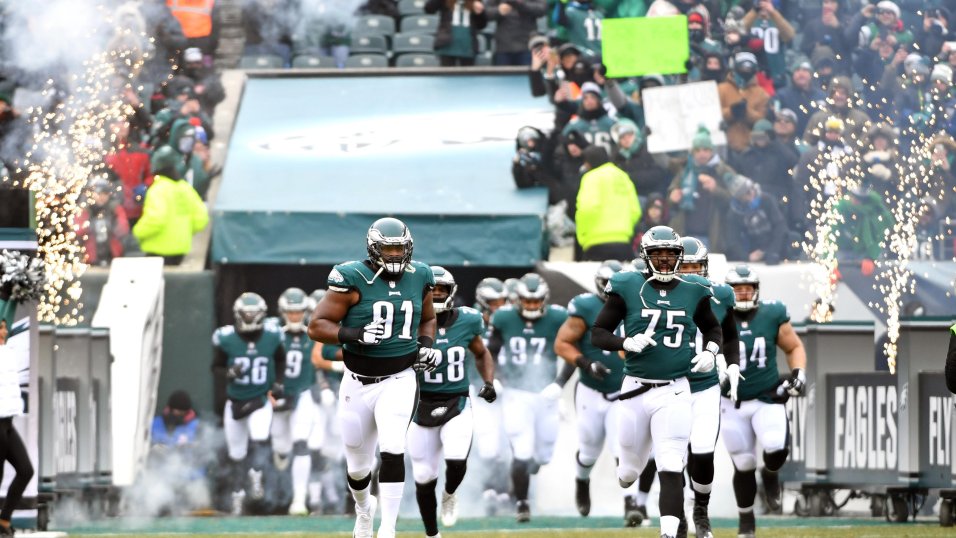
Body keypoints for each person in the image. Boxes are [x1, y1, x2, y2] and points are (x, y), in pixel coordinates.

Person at [307, 217, 437, 538]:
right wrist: (355, 333)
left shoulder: (420, 275)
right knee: (357, 466)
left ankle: (389, 529)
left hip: (399, 379)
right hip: (356, 380)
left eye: (399, 248)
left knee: (394, 447)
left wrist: (426, 346)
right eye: (388, 248)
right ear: (373, 247)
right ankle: (364, 510)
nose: (394, 255)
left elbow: (429, 318)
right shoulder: (352, 277)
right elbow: (316, 325)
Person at [590, 225, 723, 538]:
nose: (664, 260)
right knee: (628, 473)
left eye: (670, 254)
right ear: (645, 256)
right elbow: (598, 333)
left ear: (679, 256)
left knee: (671, 463)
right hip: (634, 390)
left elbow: (713, 329)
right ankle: (629, 477)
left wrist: (711, 351)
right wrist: (624, 342)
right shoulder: (626, 284)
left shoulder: (695, 289)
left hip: (675, 389)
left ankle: (668, 532)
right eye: (657, 254)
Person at [553, 260, 644, 527]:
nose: (611, 289)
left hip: (624, 390)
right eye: (607, 284)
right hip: (591, 390)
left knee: (623, 446)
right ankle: (582, 481)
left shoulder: (637, 303)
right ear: (598, 283)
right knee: (590, 449)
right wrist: (587, 364)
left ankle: (631, 503)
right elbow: (562, 344)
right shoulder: (585, 306)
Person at [408, 267, 497, 538]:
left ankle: (449, 494)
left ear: (451, 293)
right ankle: (432, 534)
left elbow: (481, 353)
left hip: (456, 400)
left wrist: (489, 382)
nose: (436, 294)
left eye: (441, 290)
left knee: (457, 460)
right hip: (419, 404)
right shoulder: (410, 321)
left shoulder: (468, 320)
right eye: (431, 290)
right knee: (423, 476)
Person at [721, 265, 807, 538]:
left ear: (756, 290)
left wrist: (799, 372)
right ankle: (746, 521)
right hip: (731, 402)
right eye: (737, 289)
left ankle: (771, 475)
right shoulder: (716, 316)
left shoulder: (772, 313)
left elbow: (793, 346)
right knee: (744, 463)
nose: (743, 294)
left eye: (748, 288)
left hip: (766, 395)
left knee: (774, 447)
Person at [485, 272, 568, 522]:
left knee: (542, 456)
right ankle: (521, 502)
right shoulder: (504, 318)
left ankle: (522, 483)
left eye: (536, 301)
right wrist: (494, 379)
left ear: (544, 299)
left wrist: (560, 384)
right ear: (518, 299)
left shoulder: (558, 317)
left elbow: (572, 349)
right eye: (527, 301)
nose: (531, 306)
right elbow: (491, 352)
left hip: (545, 394)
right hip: (516, 393)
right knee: (521, 450)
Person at [675, 237, 740, 538]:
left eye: (693, 267)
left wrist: (731, 364)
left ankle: (700, 508)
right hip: (668, 384)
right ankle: (676, 516)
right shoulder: (657, 293)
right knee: (672, 457)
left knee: (702, 453)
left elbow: (729, 334)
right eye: (683, 266)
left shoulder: (721, 294)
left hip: (704, 386)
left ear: (704, 268)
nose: (687, 273)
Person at [212, 292, 286, 516]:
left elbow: (281, 359)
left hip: (260, 399)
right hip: (235, 401)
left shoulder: (272, 336)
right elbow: (215, 367)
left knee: (260, 437)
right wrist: (228, 372)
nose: (249, 316)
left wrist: (278, 383)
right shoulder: (225, 337)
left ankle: (256, 474)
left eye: (253, 313)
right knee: (236, 455)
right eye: (246, 312)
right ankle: (237, 496)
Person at [270, 287, 335, 516]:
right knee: (281, 446)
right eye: (291, 312)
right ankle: (282, 455)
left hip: (303, 392)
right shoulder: (274, 334)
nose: (295, 316)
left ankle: (299, 501)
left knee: (301, 444)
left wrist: (323, 387)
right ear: (283, 312)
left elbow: (318, 364)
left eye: (299, 312)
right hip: (279, 394)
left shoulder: (314, 335)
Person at [131, 146, 209, 266]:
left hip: (156, 252)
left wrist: (137, 233)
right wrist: (184, 230)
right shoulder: (186, 188)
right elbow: (201, 218)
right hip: (180, 251)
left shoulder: (157, 190)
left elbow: (155, 219)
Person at [0, 288, 33, 537]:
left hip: (7, 422)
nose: (4, 331)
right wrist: (4, 299)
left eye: (4, 328)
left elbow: (6, 317)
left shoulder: (7, 348)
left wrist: (10, 295)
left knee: (25, 470)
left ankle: (3, 520)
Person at [575, 145, 642, 261]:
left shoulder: (591, 177)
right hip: (623, 242)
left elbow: (587, 208)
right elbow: (635, 210)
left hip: (596, 242)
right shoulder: (623, 176)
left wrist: (583, 236)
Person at [718, 52, 770, 153]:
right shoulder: (721, 89)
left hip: (750, 148)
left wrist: (746, 112)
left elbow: (763, 119)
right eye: (742, 68)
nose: (746, 71)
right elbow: (713, 114)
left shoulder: (761, 93)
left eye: (749, 69)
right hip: (725, 146)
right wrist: (731, 111)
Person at [76, 176, 130, 267]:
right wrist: (91, 226)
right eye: (97, 193)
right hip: (90, 257)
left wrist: (110, 226)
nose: (101, 197)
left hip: (113, 256)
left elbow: (123, 229)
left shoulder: (115, 208)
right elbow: (78, 230)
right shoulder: (85, 210)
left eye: (104, 193)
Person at [425, 0, 488, 67]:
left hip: (468, 46)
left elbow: (481, 25)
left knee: (468, 76)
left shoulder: (474, 2)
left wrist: (480, 13)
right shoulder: (445, 2)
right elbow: (429, 9)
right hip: (447, 45)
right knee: (446, 75)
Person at [486, 0, 546, 66]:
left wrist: (521, 3)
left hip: (527, 45)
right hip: (504, 46)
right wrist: (498, 10)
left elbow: (542, 9)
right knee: (503, 75)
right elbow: (485, 13)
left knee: (527, 75)